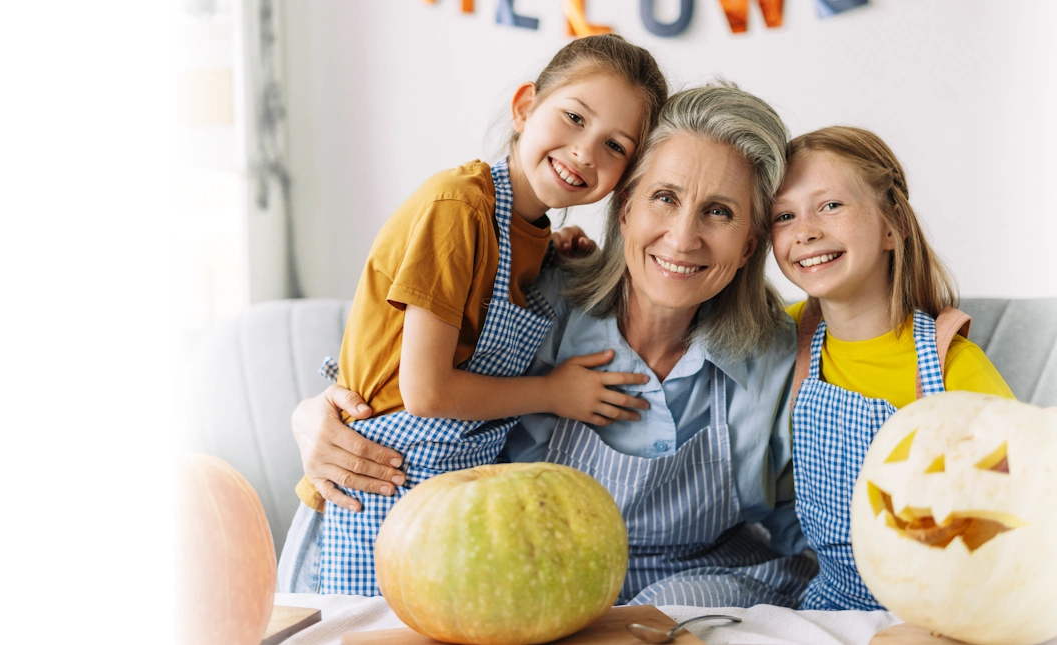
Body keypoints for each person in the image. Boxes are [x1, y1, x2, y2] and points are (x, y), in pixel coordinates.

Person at [283, 83, 818, 608]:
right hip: (533, 587)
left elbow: (809, 521)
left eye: (720, 212)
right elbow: (404, 377)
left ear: (750, 240)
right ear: (625, 206)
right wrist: (319, 414)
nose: (682, 238)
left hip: (704, 588)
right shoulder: (533, 301)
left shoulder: (780, 353)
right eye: (664, 197)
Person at [298, 34, 669, 596]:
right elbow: (425, 392)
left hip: (446, 505)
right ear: (525, 106)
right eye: (573, 117)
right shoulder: (458, 209)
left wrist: (554, 256)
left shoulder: (533, 234)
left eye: (615, 146)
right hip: (376, 492)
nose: (585, 151)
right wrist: (554, 393)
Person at [768, 126, 1014, 611]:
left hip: (936, 611)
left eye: (831, 205)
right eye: (784, 215)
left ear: (892, 225)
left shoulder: (950, 366)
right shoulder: (789, 337)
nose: (806, 230)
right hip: (828, 603)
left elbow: (1015, 502)